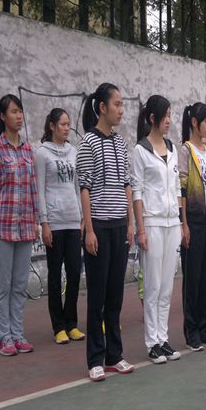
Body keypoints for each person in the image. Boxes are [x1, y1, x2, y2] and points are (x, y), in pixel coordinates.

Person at [77, 83, 135, 381]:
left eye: (122, 104)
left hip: (119, 226)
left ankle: (114, 355)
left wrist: (130, 223)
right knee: (97, 297)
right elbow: (84, 188)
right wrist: (89, 229)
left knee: (115, 295)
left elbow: (127, 184)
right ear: (102, 107)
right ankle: (95, 358)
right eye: (117, 104)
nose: (121, 110)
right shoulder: (88, 142)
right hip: (98, 226)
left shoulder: (120, 143)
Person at [131, 95, 184, 364]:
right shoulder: (140, 150)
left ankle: (163, 338)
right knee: (152, 285)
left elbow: (176, 188)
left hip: (172, 223)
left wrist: (181, 221)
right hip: (151, 223)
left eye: (171, 116)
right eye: (165, 116)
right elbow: (137, 191)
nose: (169, 121)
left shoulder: (172, 149)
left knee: (166, 285)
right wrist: (140, 229)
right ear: (152, 118)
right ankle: (151, 341)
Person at [0, 94, 39, 356]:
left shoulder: (28, 149)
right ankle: (4, 337)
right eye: (14, 112)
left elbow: (33, 188)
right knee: (2, 286)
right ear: (2, 116)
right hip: (4, 227)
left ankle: (17, 334)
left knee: (19, 285)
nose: (19, 116)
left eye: (20, 111)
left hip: (25, 226)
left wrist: (36, 220)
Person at [35, 108, 85, 345]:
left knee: (74, 272)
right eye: (63, 124)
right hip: (54, 223)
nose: (67, 128)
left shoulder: (73, 151)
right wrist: (44, 223)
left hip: (73, 220)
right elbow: (40, 190)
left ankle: (71, 323)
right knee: (55, 275)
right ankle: (58, 327)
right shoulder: (42, 153)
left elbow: (77, 186)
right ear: (52, 126)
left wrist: (82, 216)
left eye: (68, 124)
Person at [179, 102, 206, 351]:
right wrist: (183, 223)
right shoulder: (186, 150)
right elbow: (182, 189)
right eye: (205, 121)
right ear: (194, 122)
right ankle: (191, 330)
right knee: (192, 278)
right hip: (193, 221)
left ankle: (204, 327)